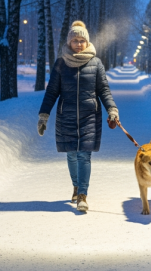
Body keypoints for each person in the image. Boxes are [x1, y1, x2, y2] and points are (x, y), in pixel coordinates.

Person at [38, 20, 120, 212]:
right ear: (69, 42)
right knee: (72, 154)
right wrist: (44, 116)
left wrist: (112, 110)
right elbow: (51, 92)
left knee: (84, 155)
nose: (78, 43)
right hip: (66, 115)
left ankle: (82, 194)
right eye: (74, 40)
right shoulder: (61, 64)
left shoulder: (96, 63)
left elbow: (104, 90)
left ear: (87, 42)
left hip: (89, 116)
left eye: (81, 40)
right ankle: (76, 186)